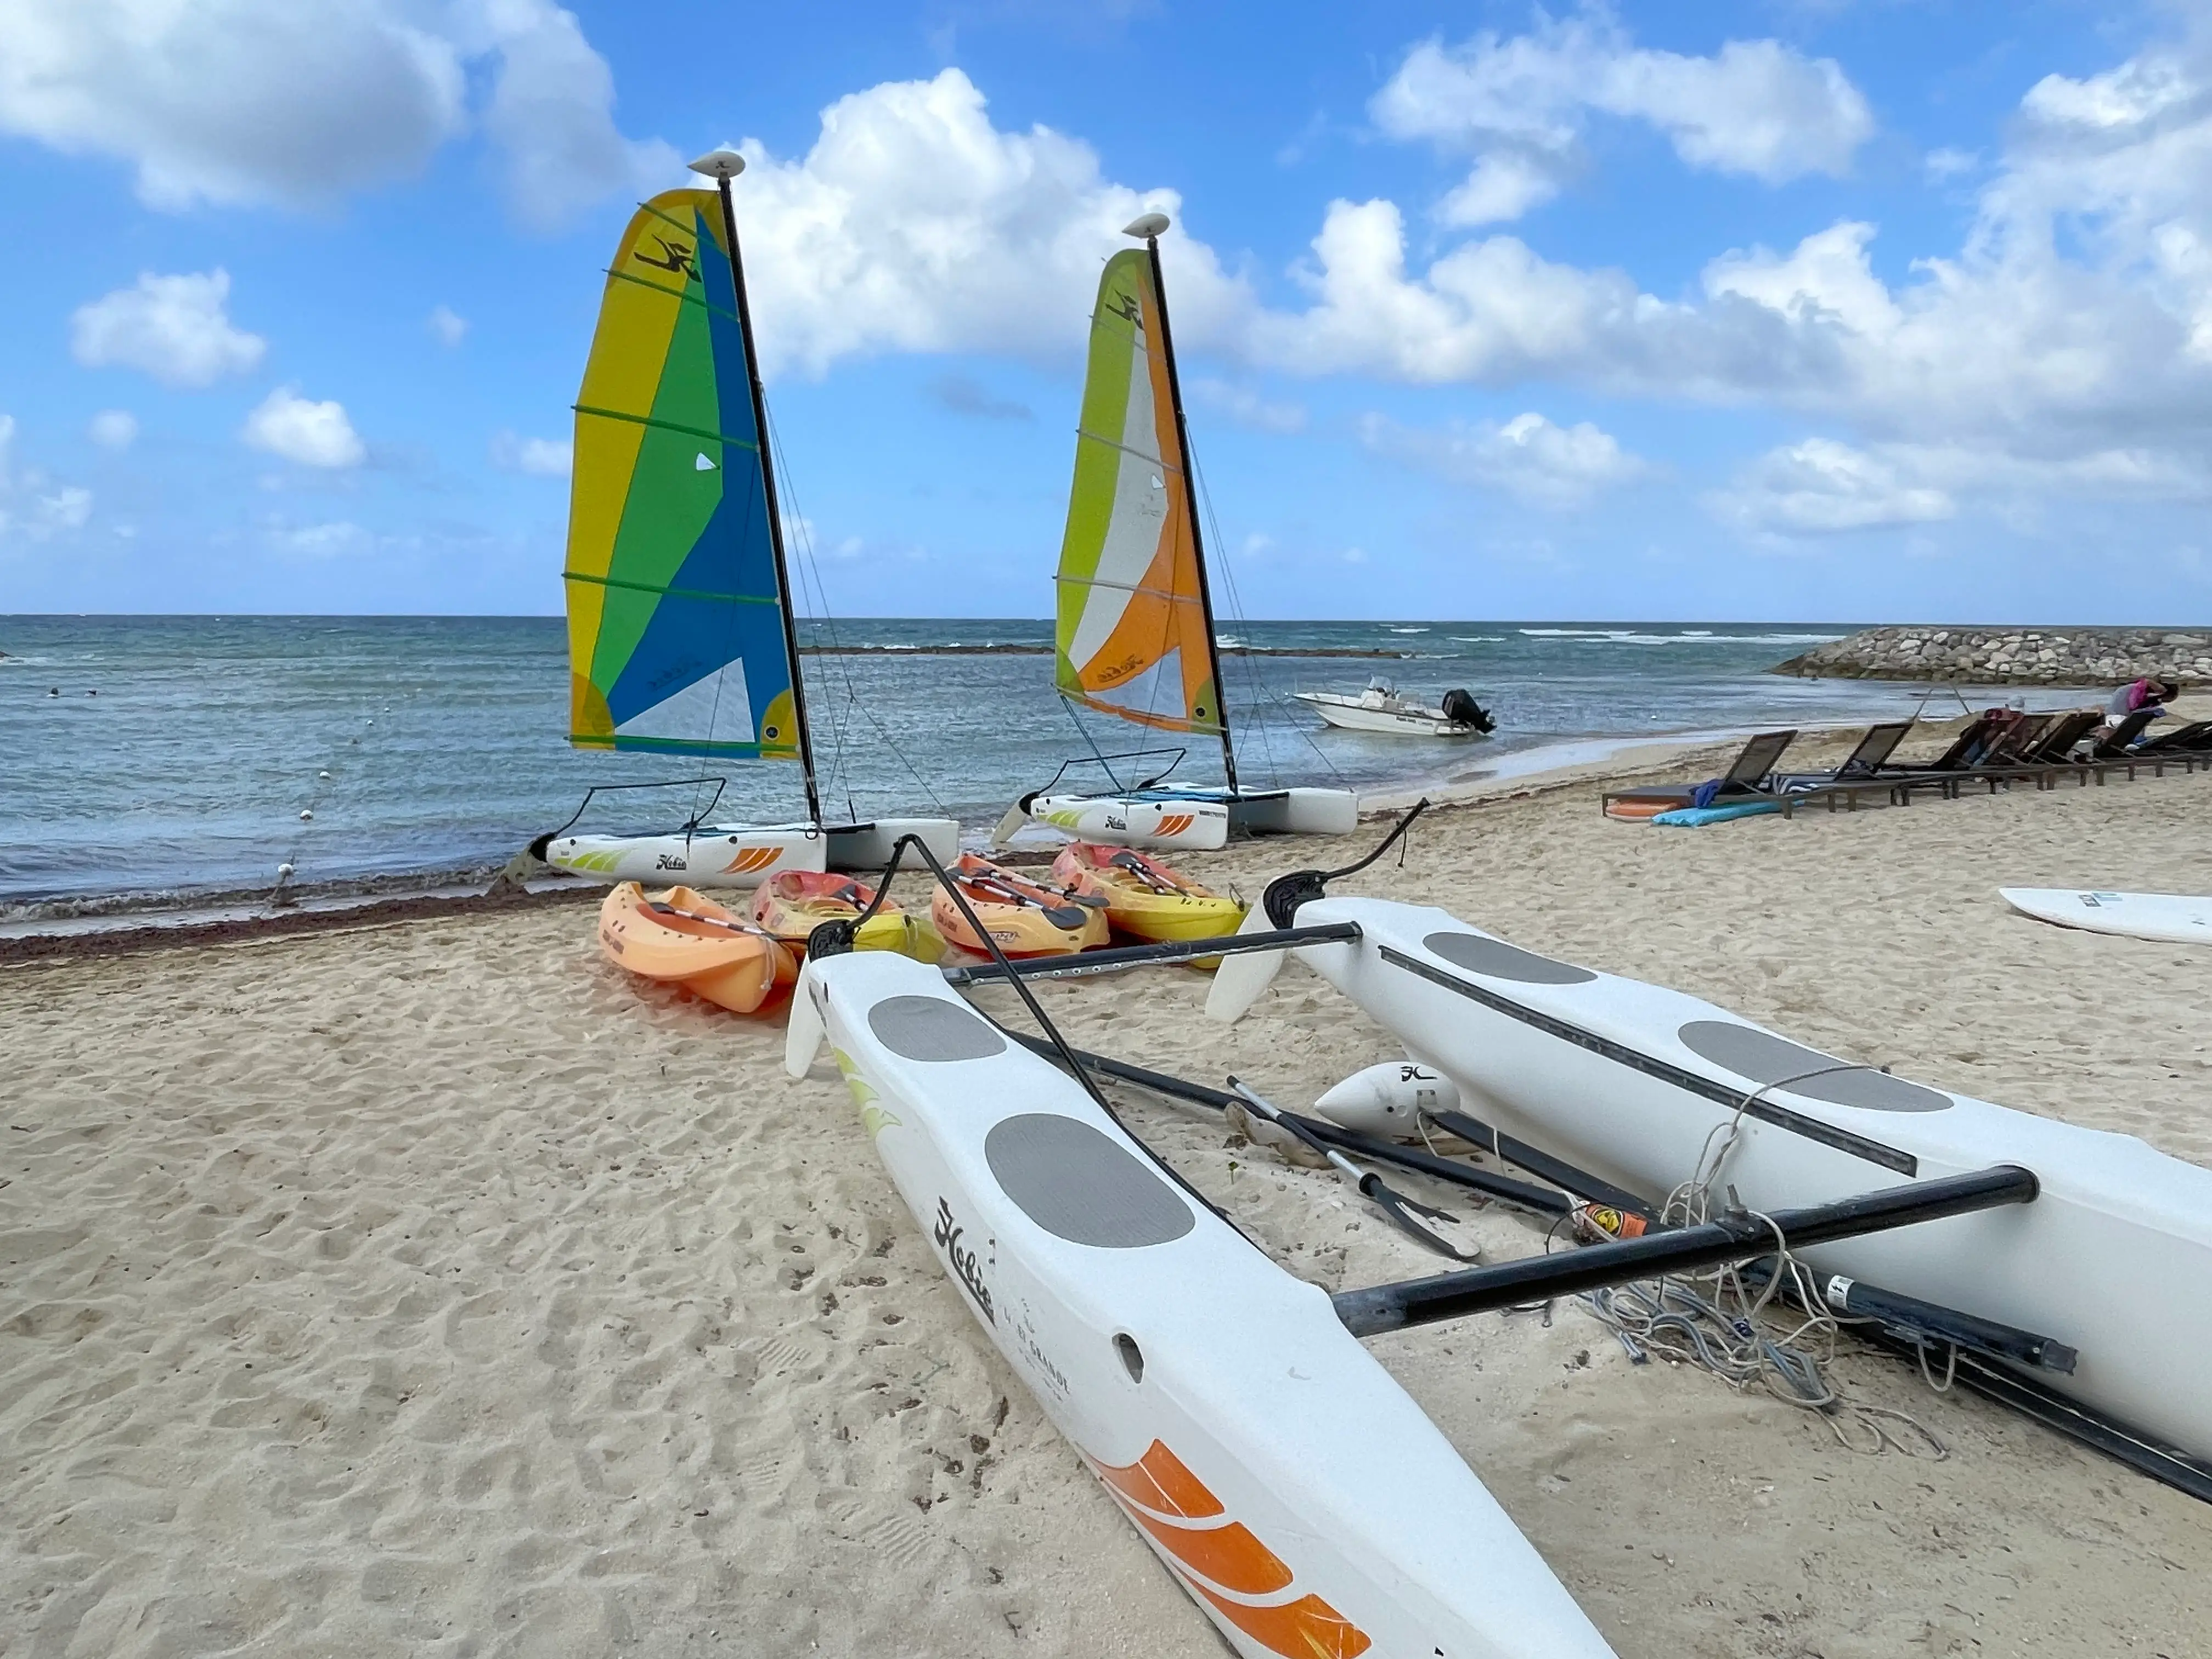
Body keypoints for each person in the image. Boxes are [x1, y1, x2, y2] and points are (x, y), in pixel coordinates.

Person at [2097, 675, 2178, 737]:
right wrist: (2161, 689)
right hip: (2118, 718)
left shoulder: (2135, 690)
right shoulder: (2139, 690)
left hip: (2113, 718)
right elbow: (2147, 682)